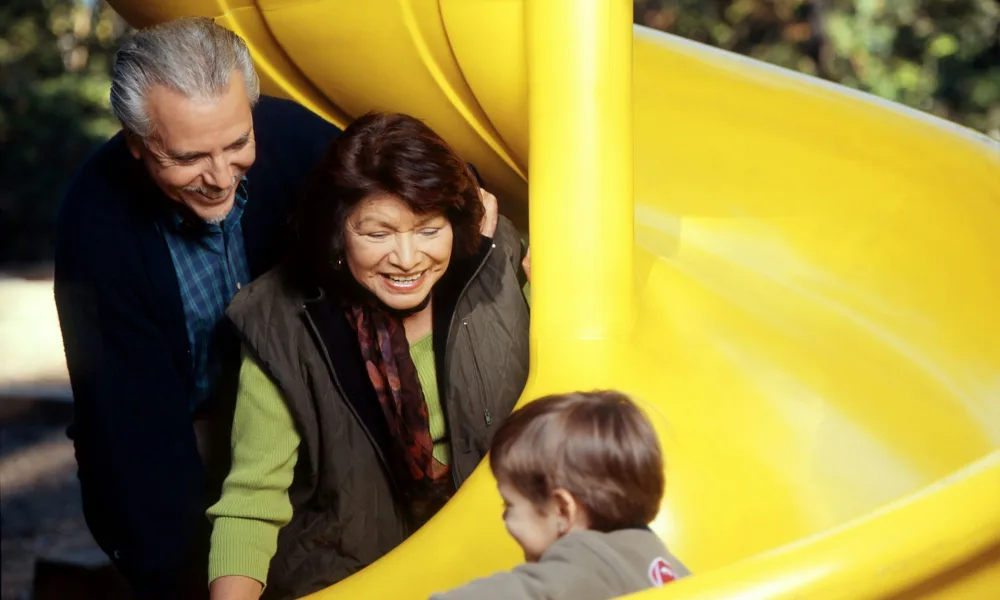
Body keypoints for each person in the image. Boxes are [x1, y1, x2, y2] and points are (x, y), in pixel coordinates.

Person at [52, 17, 341, 599]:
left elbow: (405, 188)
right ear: (136, 144)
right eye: (187, 157)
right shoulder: (95, 227)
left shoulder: (295, 138)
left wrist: (471, 200)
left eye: (237, 144)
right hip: (175, 443)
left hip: (297, 432)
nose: (218, 178)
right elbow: (130, 439)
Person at [206, 111, 531, 600]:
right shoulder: (282, 322)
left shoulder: (500, 265)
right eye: (378, 234)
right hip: (350, 576)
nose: (406, 259)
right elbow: (252, 500)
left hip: (494, 562)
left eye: (428, 229)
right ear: (338, 235)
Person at [430, 390, 690, 600]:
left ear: (562, 510)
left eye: (509, 504)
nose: (504, 518)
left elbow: (521, 593)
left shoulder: (589, 559)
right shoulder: (662, 561)